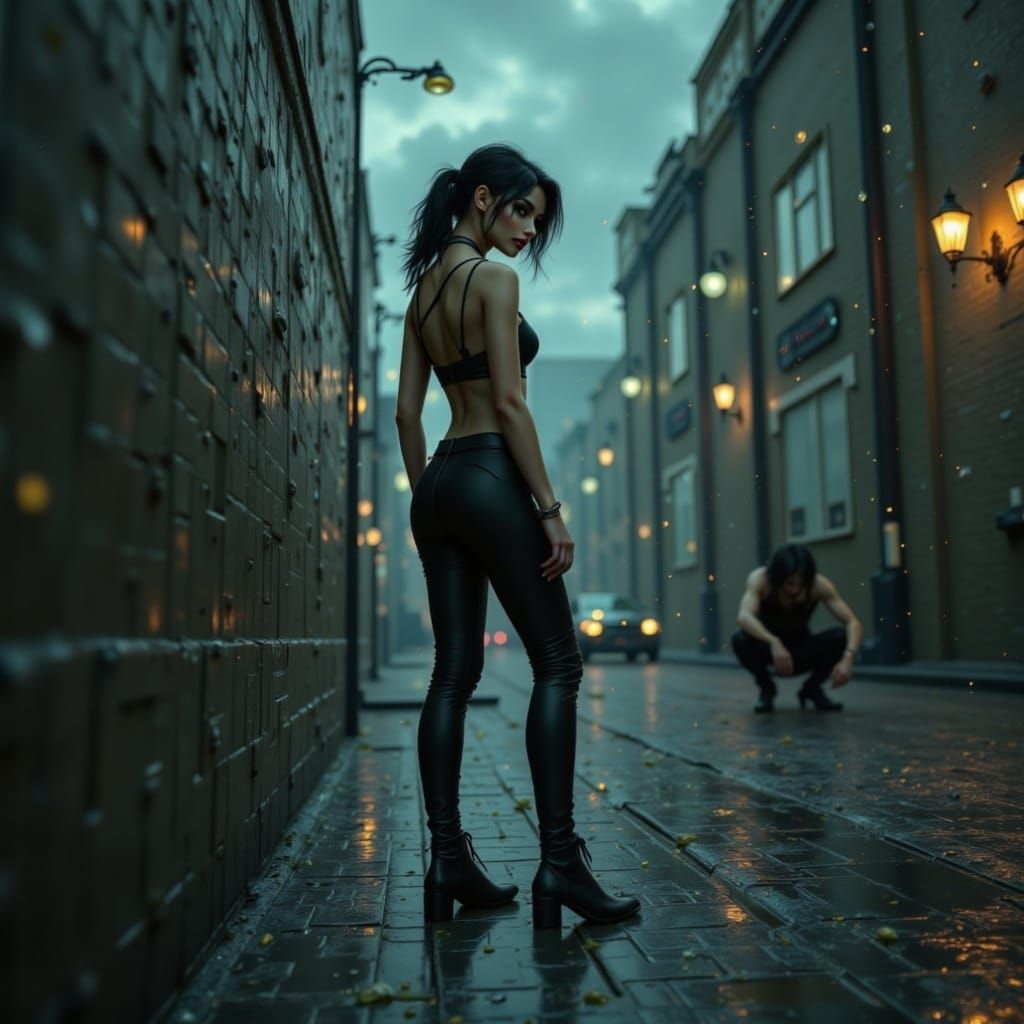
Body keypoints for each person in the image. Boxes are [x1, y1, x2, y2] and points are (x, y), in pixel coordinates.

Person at [394, 144, 640, 929]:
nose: (530, 230)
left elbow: (406, 415)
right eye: (522, 210)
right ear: (481, 198)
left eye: (537, 217)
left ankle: (448, 864)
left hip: (437, 480)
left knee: (452, 675)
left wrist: (426, 500)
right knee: (559, 663)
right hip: (494, 473)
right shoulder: (491, 280)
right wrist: (549, 506)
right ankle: (561, 869)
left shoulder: (421, 294)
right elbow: (508, 401)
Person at [732, 543, 863, 713]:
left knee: (842, 636)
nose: (795, 590)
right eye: (790, 583)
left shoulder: (819, 585)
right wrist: (773, 641)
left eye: (801, 584)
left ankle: (812, 689)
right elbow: (743, 617)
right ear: (778, 578)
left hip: (800, 651)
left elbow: (853, 622)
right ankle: (766, 689)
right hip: (769, 652)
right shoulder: (761, 580)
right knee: (739, 639)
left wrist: (848, 658)